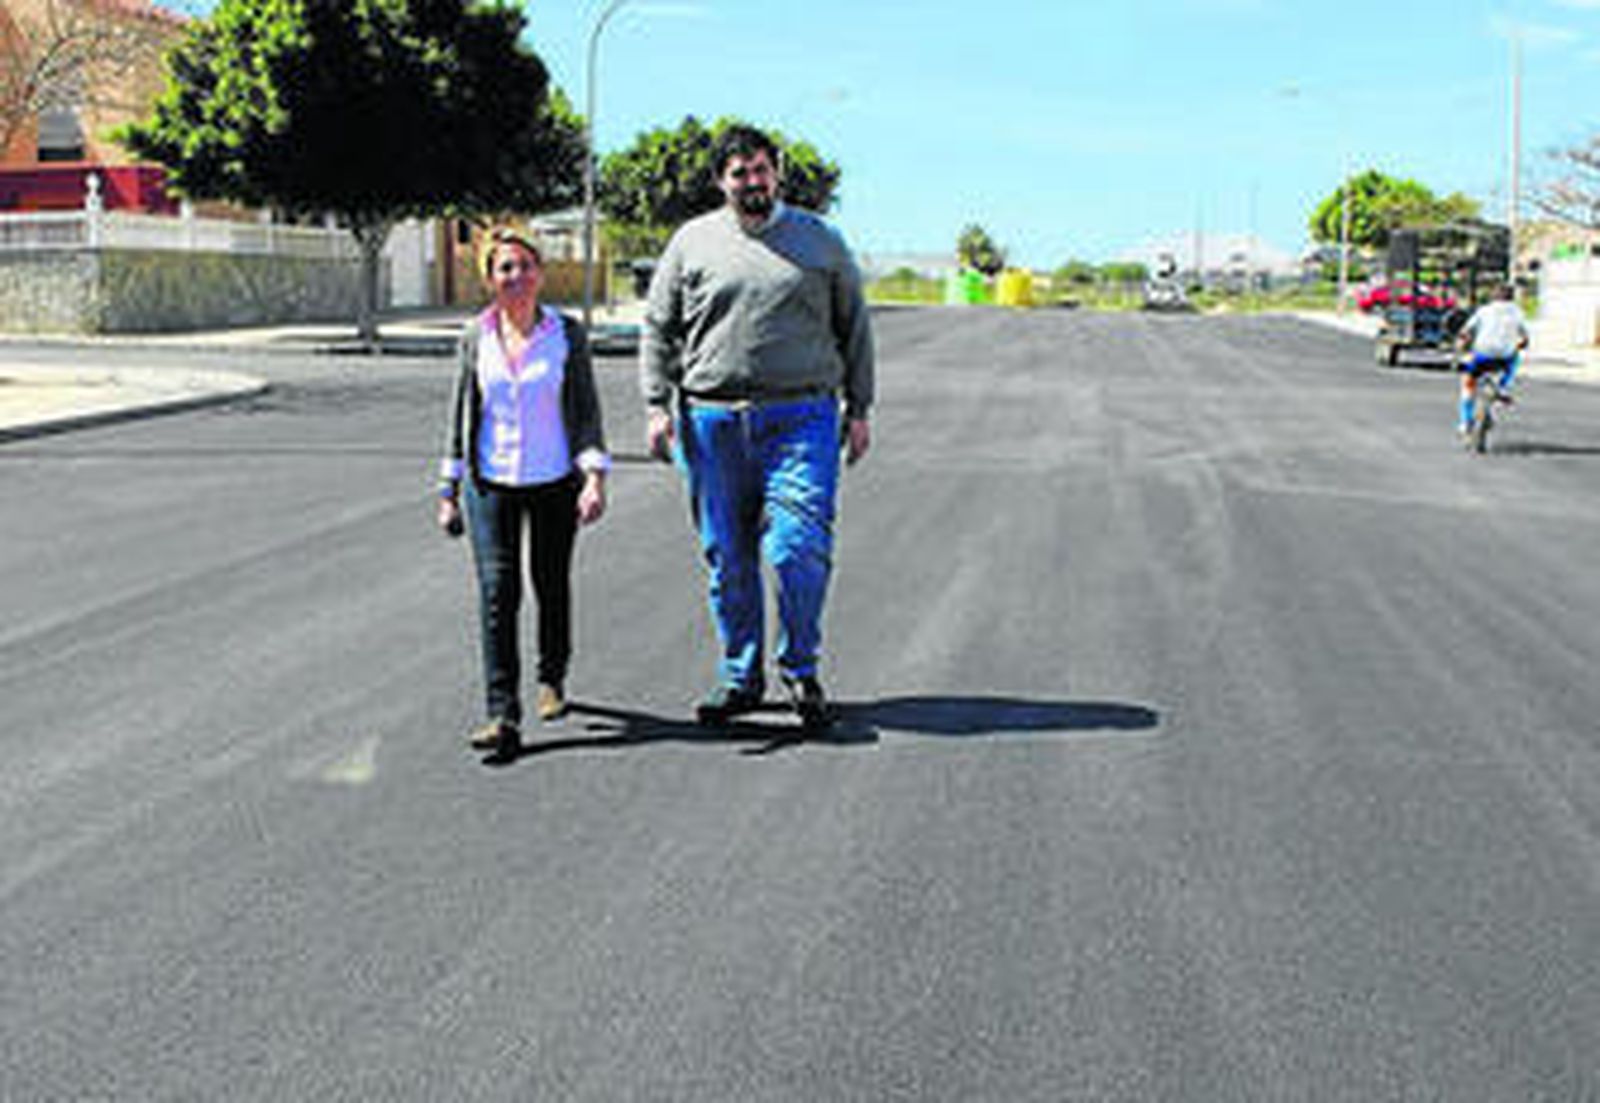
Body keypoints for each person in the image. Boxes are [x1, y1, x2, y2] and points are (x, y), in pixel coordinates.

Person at [640, 125, 875, 729]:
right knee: (728, 555)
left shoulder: (820, 241)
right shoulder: (691, 242)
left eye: (762, 170)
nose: (753, 182)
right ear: (721, 181)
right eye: (740, 172)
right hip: (711, 421)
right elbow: (658, 327)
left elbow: (854, 325)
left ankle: (800, 668)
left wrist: (860, 408)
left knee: (798, 547)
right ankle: (740, 676)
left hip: (801, 417)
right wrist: (656, 405)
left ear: (778, 174)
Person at [437, 228, 609, 755]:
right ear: (490, 279)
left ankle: (551, 677)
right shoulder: (476, 336)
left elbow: (585, 409)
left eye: (525, 266)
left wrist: (594, 476)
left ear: (540, 273)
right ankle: (502, 713)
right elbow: (461, 411)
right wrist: (448, 487)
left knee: (550, 584)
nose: (517, 276)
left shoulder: (566, 333)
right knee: (498, 593)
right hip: (490, 484)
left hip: (554, 480)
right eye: (505, 268)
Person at [1456, 283, 1529, 436]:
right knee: (1514, 357)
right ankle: (1504, 387)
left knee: (1468, 385)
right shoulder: (1518, 313)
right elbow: (1524, 338)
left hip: (1481, 353)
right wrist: (1520, 344)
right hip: (1504, 356)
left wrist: (1462, 344)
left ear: (1493, 296)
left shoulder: (1484, 311)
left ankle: (1465, 422)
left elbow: (1466, 331)